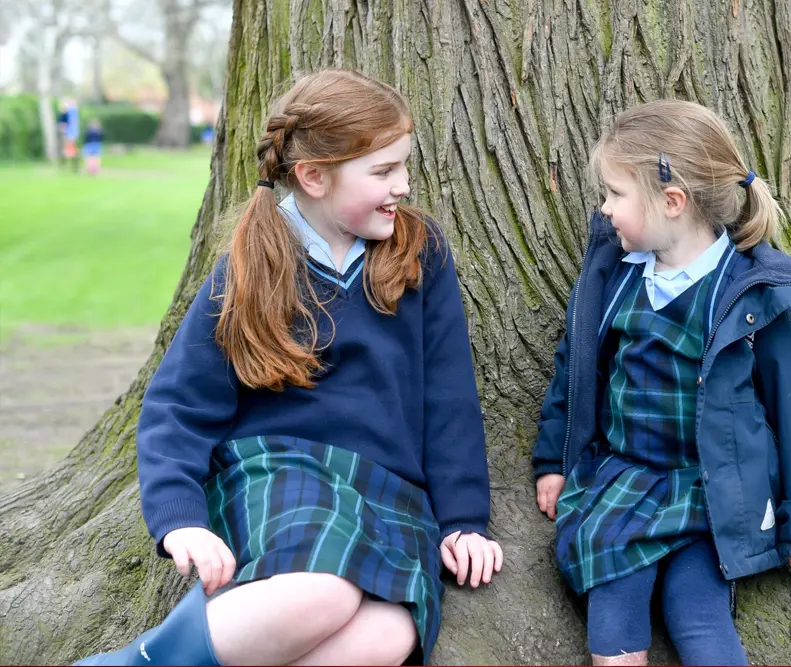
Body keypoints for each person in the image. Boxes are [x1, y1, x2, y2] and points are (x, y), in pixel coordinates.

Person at [76, 68, 502, 666]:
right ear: (313, 176)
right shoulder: (252, 263)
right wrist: (180, 520)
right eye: (383, 171)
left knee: (390, 636)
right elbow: (179, 404)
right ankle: (139, 662)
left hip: (389, 490)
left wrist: (463, 519)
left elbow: (450, 396)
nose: (403, 185)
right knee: (320, 594)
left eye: (404, 166)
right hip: (283, 472)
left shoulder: (419, 250)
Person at [532, 99, 791, 666]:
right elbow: (576, 372)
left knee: (697, 613)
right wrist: (554, 459)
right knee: (613, 612)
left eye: (615, 195)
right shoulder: (617, 275)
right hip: (623, 481)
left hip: (713, 492)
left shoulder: (753, 295)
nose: (604, 210)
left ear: (672, 203)